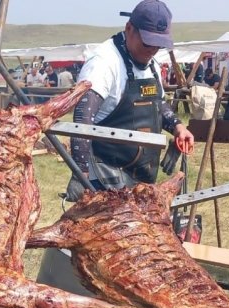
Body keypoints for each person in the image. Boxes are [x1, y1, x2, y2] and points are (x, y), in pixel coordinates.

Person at [65, 0, 194, 201]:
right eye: (147, 42)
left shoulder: (152, 64)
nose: (152, 50)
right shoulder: (103, 64)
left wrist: (177, 126)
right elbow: (82, 118)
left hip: (141, 177)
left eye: (158, 45)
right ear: (129, 28)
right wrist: (80, 173)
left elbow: (157, 103)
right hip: (105, 177)